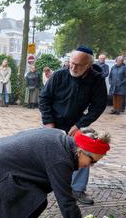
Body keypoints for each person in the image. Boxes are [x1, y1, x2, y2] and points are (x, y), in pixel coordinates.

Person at [39, 46, 107, 205]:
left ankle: (77, 189)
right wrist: (49, 123)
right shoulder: (58, 76)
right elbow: (44, 99)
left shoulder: (96, 80)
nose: (73, 67)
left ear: (88, 66)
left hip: (77, 123)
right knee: (46, 153)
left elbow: (98, 106)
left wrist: (79, 125)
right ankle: (43, 185)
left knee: (84, 153)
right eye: (71, 62)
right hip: (53, 121)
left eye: (78, 65)